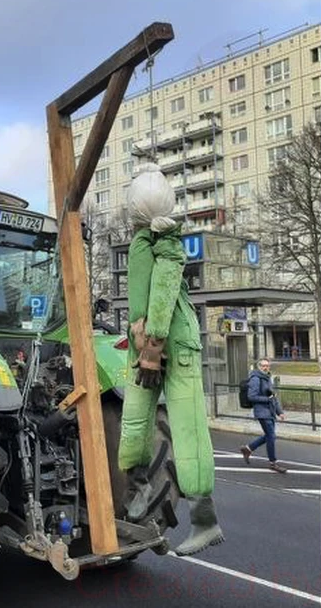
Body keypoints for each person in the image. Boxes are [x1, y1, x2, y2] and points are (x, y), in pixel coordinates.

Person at [117, 163, 223, 557]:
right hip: (152, 346)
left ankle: (204, 520)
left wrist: (152, 346)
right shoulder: (155, 241)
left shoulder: (158, 243)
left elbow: (158, 296)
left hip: (166, 348)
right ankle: (140, 491)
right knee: (137, 421)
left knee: (186, 427)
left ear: (134, 208)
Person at [240, 358, 288, 473]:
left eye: (267, 366)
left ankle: (248, 448)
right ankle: (272, 463)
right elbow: (252, 396)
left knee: (269, 435)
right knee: (271, 436)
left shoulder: (267, 378)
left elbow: (273, 397)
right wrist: (267, 399)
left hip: (270, 412)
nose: (265, 367)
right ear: (259, 367)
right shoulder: (255, 379)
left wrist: (279, 412)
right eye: (263, 366)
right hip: (262, 412)